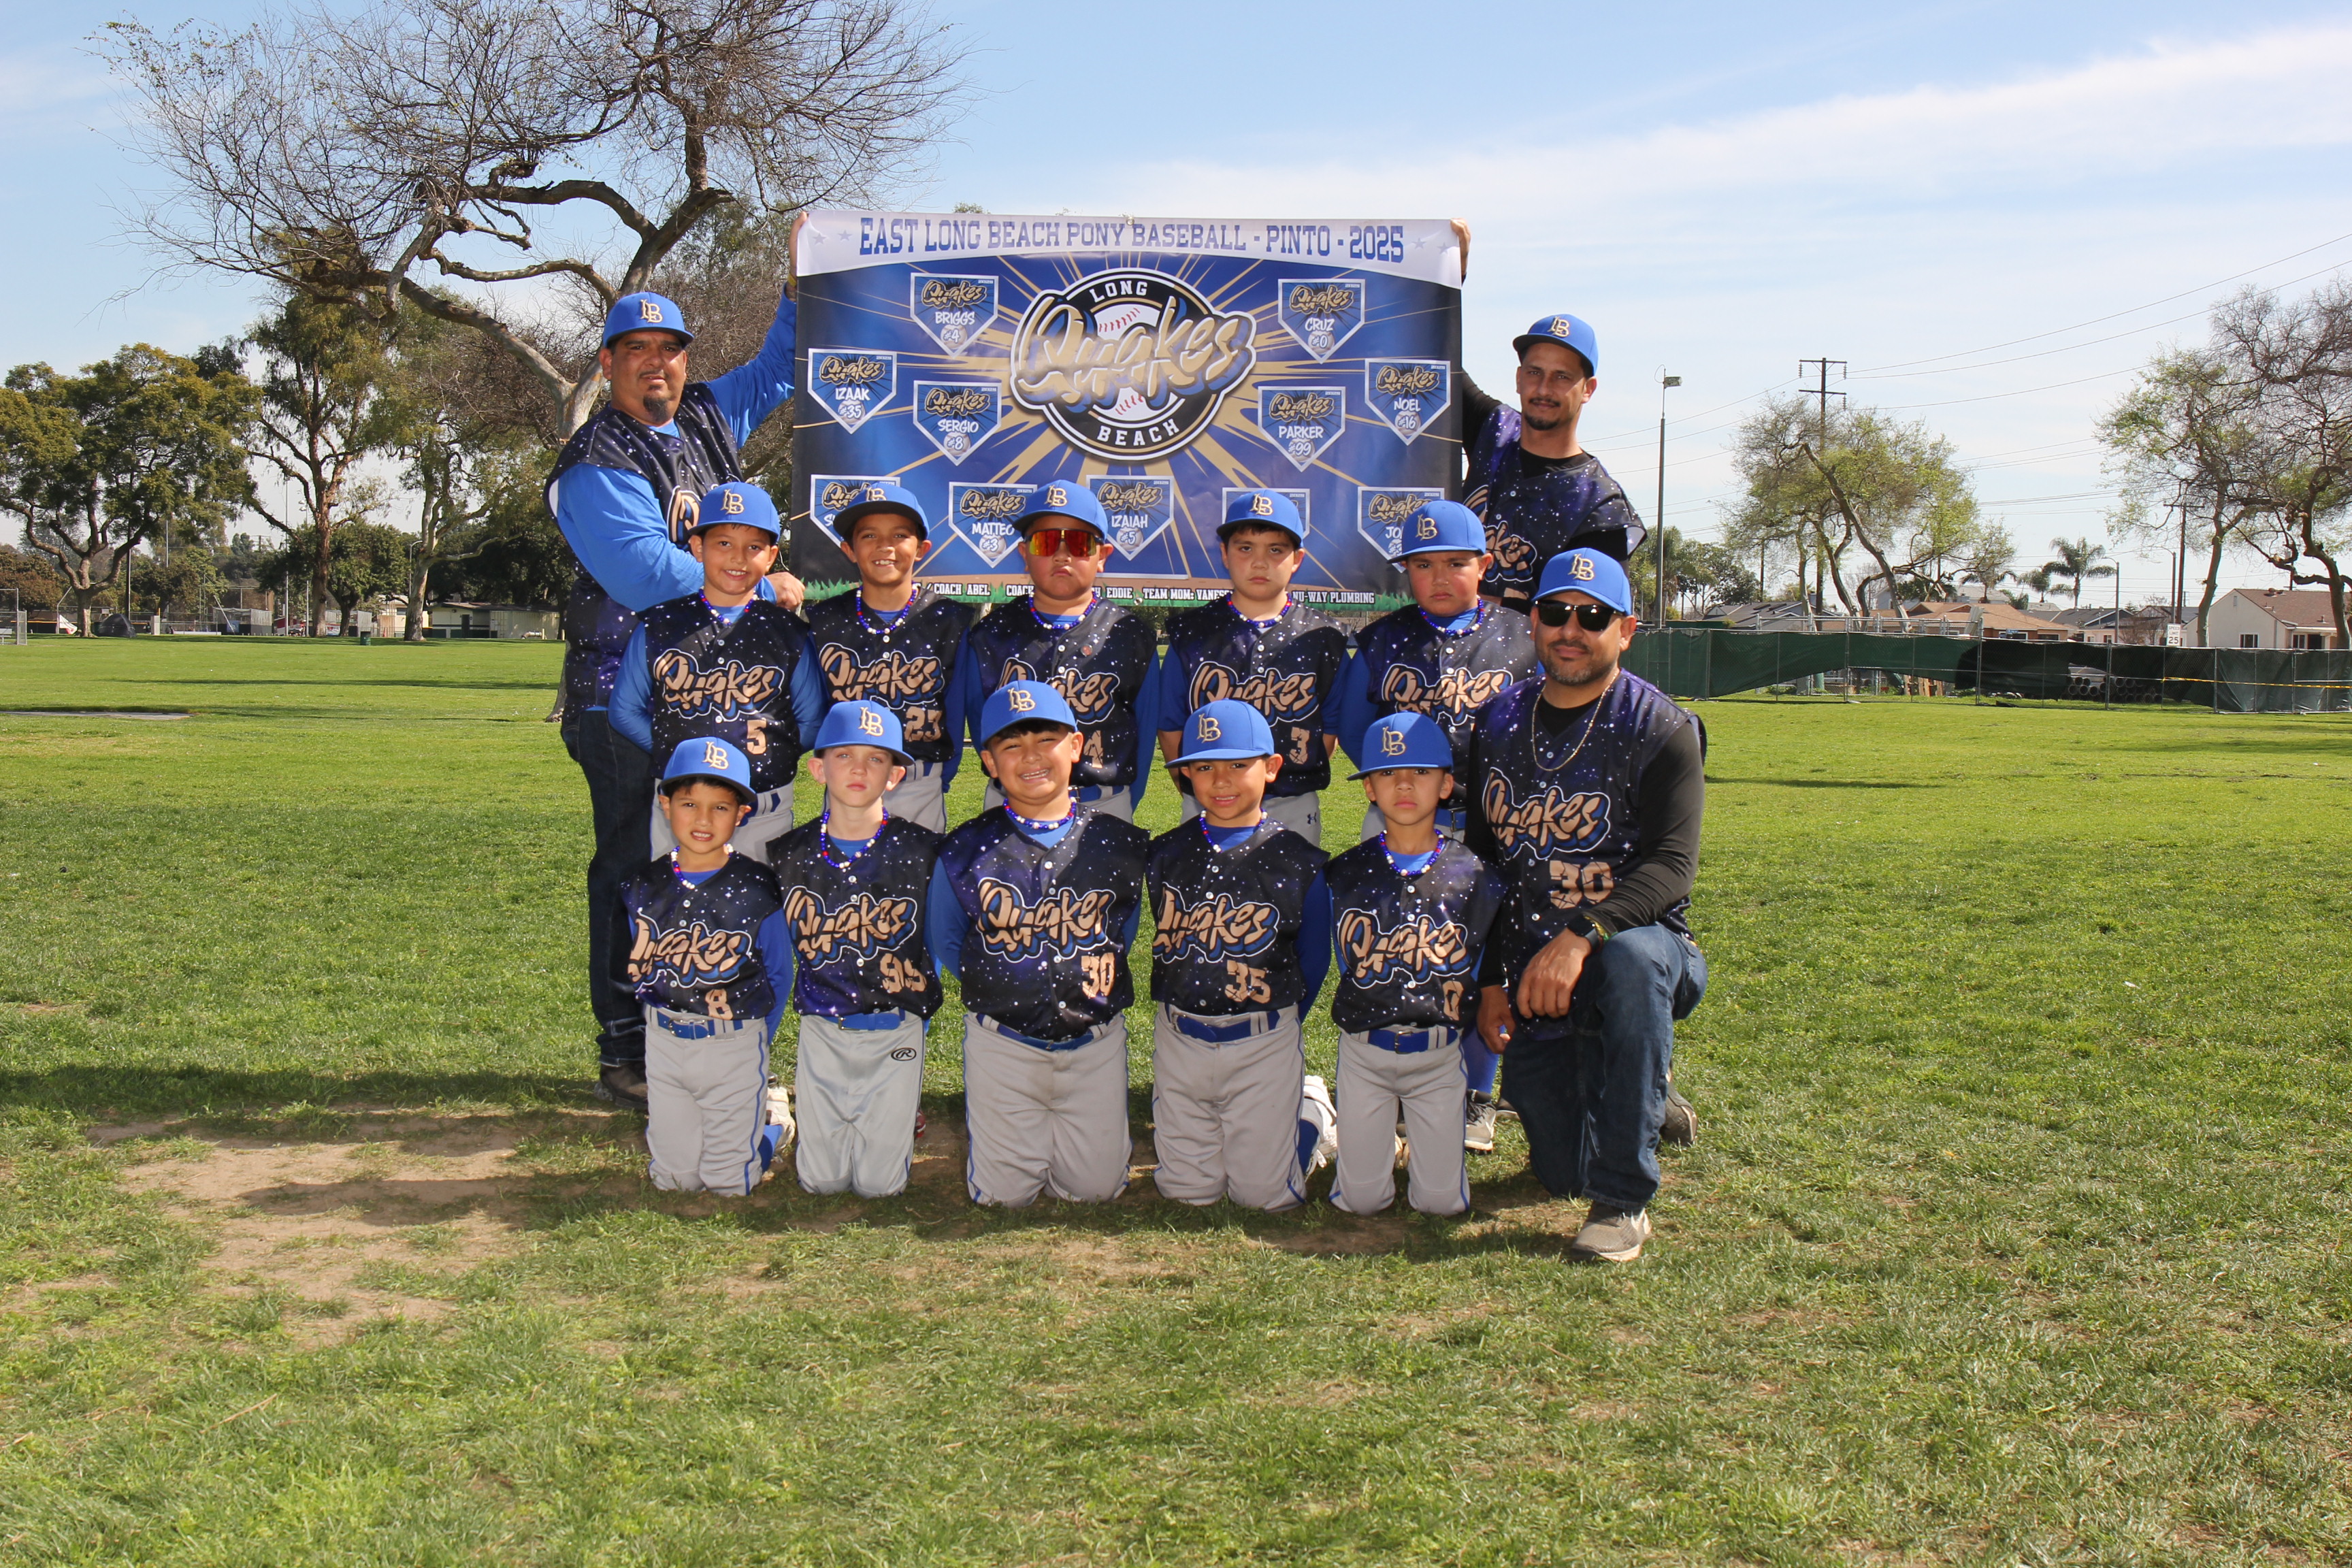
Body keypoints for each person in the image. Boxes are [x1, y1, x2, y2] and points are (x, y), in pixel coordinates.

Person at [551, 287, 806, 1111]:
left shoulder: (703, 414)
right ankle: (627, 1050)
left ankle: (702, 1035)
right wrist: (761, 585)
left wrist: (800, 285)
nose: (655, 363)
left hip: (708, 698)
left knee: (706, 874)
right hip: (620, 701)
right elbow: (644, 572)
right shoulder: (596, 460)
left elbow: (779, 369)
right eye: (637, 349)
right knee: (635, 873)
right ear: (608, 363)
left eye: (669, 349)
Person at [1465, 549, 1705, 1262]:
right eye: (1556, 612)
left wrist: (1583, 935)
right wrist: (1490, 979)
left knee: (1631, 963)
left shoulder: (1661, 727)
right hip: (1535, 977)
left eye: (1593, 616)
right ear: (1534, 622)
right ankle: (1647, 1095)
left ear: (1625, 630)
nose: (1571, 629)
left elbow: (1673, 866)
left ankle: (1624, 1201)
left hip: (1638, 950)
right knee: (1562, 1171)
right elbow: (1486, 862)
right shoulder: (1498, 720)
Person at [1332, 497, 1534, 1152]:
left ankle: (1478, 1091)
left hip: (1493, 822)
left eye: (1455, 563)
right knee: (1399, 949)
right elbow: (1357, 731)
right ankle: (1395, 1081)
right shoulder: (1381, 639)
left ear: (1484, 564)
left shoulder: (1523, 636)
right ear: (1406, 573)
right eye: (1423, 565)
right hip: (1401, 823)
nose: (1440, 576)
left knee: (1481, 957)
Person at [930, 681, 1150, 1206]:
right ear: (989, 761)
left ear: (1076, 747)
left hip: (1095, 1040)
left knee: (1095, 1190)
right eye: (1011, 745)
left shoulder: (1118, 843)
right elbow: (948, 938)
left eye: (1046, 740)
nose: (1031, 757)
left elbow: (1123, 929)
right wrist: (1008, 980)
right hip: (1003, 1043)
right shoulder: (963, 849)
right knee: (1003, 1197)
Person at [1144, 700, 1338, 1210]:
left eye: (1238, 763)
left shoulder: (1301, 861)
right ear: (1186, 775)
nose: (1221, 780)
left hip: (1263, 1038)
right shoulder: (1164, 854)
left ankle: (1311, 1116)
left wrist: (1282, 1023)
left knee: (1265, 1198)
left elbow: (1314, 959)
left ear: (1271, 767)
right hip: (1181, 1035)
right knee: (1188, 1192)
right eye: (1205, 766)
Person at [1324, 713, 1505, 1218]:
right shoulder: (1345, 872)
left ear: (1446, 785)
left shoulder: (1476, 875)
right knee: (1361, 1201)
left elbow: (1484, 967)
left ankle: (1404, 1143)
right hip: (1364, 1053)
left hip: (1439, 1056)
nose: (1404, 784)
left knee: (1441, 1204)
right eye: (1387, 773)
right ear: (1369, 789)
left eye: (1421, 772)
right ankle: (1318, 1116)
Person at [766, 701, 943, 1199]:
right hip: (821, 1029)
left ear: (896, 775)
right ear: (818, 768)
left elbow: (937, 949)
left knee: (879, 1187)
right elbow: (777, 957)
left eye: (876, 758)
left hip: (896, 1028)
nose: (859, 769)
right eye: (844, 755)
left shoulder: (925, 851)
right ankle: (775, 1123)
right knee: (820, 1182)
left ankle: (899, 1112)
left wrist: (920, 1022)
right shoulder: (788, 855)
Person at [609, 480, 828, 866]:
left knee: (760, 900)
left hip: (763, 804)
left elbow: (811, 719)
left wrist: (772, 754)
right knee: (679, 900)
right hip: (683, 804)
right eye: (723, 543)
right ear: (698, 547)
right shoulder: (660, 625)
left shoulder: (789, 632)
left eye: (754, 547)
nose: (738, 558)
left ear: (771, 556)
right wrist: (676, 753)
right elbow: (624, 710)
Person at [619, 738, 796, 1194]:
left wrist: (756, 1038)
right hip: (664, 1039)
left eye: (720, 807)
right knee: (674, 1180)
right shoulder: (642, 886)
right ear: (665, 805)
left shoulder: (759, 886)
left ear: (741, 814)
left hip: (734, 1041)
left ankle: (774, 1126)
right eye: (689, 804)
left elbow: (779, 973)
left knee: (727, 1183)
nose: (703, 819)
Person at [1152, 490, 1349, 844]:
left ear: (1297, 559)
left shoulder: (1323, 637)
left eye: (1275, 550)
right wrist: (1201, 789)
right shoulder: (1192, 632)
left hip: (1292, 802)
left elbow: (1329, 731)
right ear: (1224, 554)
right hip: (1209, 801)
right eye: (1245, 548)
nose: (1260, 563)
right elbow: (1171, 727)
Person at [954, 485, 1156, 821]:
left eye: (1079, 544)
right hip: (1012, 801)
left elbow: (1145, 732)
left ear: (1102, 556)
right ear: (1024, 553)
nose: (1062, 556)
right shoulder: (991, 634)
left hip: (1103, 803)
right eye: (1046, 543)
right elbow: (982, 726)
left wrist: (1124, 801)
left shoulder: (1129, 634)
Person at [800, 483, 977, 832]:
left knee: (918, 867)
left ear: (921, 548)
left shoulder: (948, 619)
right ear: (849, 549)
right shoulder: (825, 621)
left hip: (919, 779)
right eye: (869, 536)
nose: (885, 546)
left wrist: (940, 776)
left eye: (899, 535)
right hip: (847, 781)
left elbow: (956, 710)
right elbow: (817, 711)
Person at [1458, 313, 1646, 611]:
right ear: (1519, 378)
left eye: (1562, 377)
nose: (1544, 389)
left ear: (1588, 389)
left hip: (1526, 644)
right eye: (1535, 372)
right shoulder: (1493, 429)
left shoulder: (1599, 504)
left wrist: (1473, 605)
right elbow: (1432, 355)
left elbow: (1594, 617)